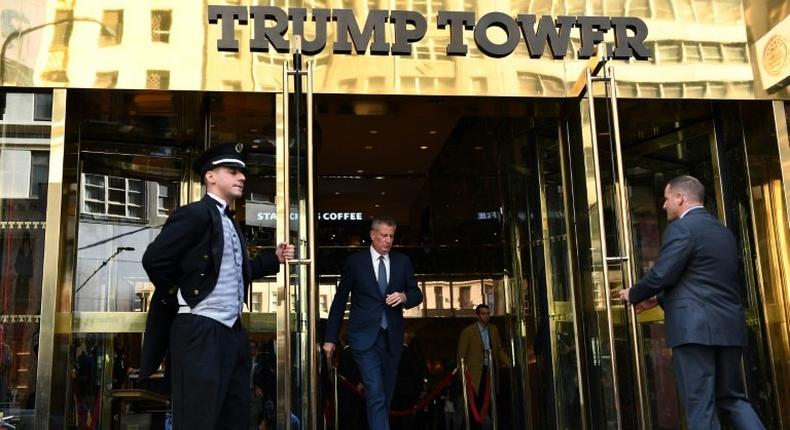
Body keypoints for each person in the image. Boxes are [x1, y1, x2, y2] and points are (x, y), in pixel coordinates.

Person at [140, 142, 294, 429]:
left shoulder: (229, 221)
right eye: (233, 171)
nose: (242, 177)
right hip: (200, 330)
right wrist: (182, 293)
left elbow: (237, 270)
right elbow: (155, 259)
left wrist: (273, 259)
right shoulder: (196, 213)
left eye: (242, 173)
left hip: (231, 332)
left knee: (234, 416)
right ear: (210, 176)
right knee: (198, 418)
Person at [618, 175, 764, 430]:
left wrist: (634, 293)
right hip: (729, 329)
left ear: (680, 198)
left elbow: (663, 273)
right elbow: (704, 278)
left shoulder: (682, 228)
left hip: (694, 332)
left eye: (665, 199)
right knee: (734, 399)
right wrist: (659, 298)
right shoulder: (723, 232)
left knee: (700, 406)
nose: (663, 206)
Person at [322, 217, 423, 430]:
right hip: (364, 339)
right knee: (375, 392)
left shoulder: (402, 261)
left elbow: (417, 294)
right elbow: (339, 301)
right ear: (373, 235)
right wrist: (330, 339)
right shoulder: (355, 263)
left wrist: (404, 297)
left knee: (384, 395)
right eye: (384, 236)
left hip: (392, 339)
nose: (388, 241)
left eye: (392, 236)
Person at [456, 304, 509, 430]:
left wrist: (510, 363)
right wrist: (462, 375)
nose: (486, 316)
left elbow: (499, 349)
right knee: (475, 406)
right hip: (475, 375)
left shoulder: (493, 329)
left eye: (488, 313)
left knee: (492, 403)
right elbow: (461, 355)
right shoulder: (468, 332)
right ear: (477, 315)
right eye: (483, 313)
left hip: (490, 371)